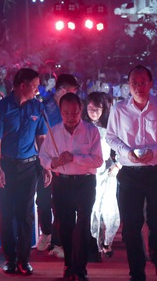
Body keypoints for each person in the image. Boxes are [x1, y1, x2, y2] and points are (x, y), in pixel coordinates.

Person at [106, 65, 157, 281]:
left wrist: (155, 152)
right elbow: (111, 137)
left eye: (142, 82)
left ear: (150, 83)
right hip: (130, 173)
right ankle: (136, 272)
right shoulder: (119, 109)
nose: (138, 86)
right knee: (131, 225)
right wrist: (126, 152)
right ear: (128, 85)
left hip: (156, 172)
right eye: (134, 83)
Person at [0, 68, 49, 275]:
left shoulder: (37, 108)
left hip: (29, 167)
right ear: (22, 85)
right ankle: (10, 259)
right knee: (5, 215)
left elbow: (41, 138)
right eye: (34, 85)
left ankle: (24, 260)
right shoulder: (2, 108)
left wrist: (46, 164)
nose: (37, 89)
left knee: (25, 215)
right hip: (5, 165)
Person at [39, 92, 103, 281]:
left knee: (83, 226)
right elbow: (43, 157)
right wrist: (54, 163)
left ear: (80, 111)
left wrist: (75, 158)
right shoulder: (54, 131)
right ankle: (69, 265)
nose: (70, 117)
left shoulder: (91, 131)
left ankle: (81, 268)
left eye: (74, 113)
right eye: (66, 113)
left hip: (85, 183)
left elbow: (98, 160)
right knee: (64, 226)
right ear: (60, 112)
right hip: (62, 182)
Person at [38, 74, 80, 258]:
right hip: (46, 159)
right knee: (44, 200)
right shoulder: (45, 107)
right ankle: (47, 231)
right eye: (70, 92)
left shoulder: (71, 109)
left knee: (61, 205)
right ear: (62, 90)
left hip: (65, 164)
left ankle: (58, 241)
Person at [84, 92, 120, 258]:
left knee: (109, 208)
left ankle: (107, 241)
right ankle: (94, 243)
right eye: (90, 108)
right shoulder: (82, 126)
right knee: (92, 208)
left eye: (97, 109)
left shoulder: (111, 127)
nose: (93, 112)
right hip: (89, 172)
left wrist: (118, 165)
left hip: (106, 171)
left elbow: (120, 148)